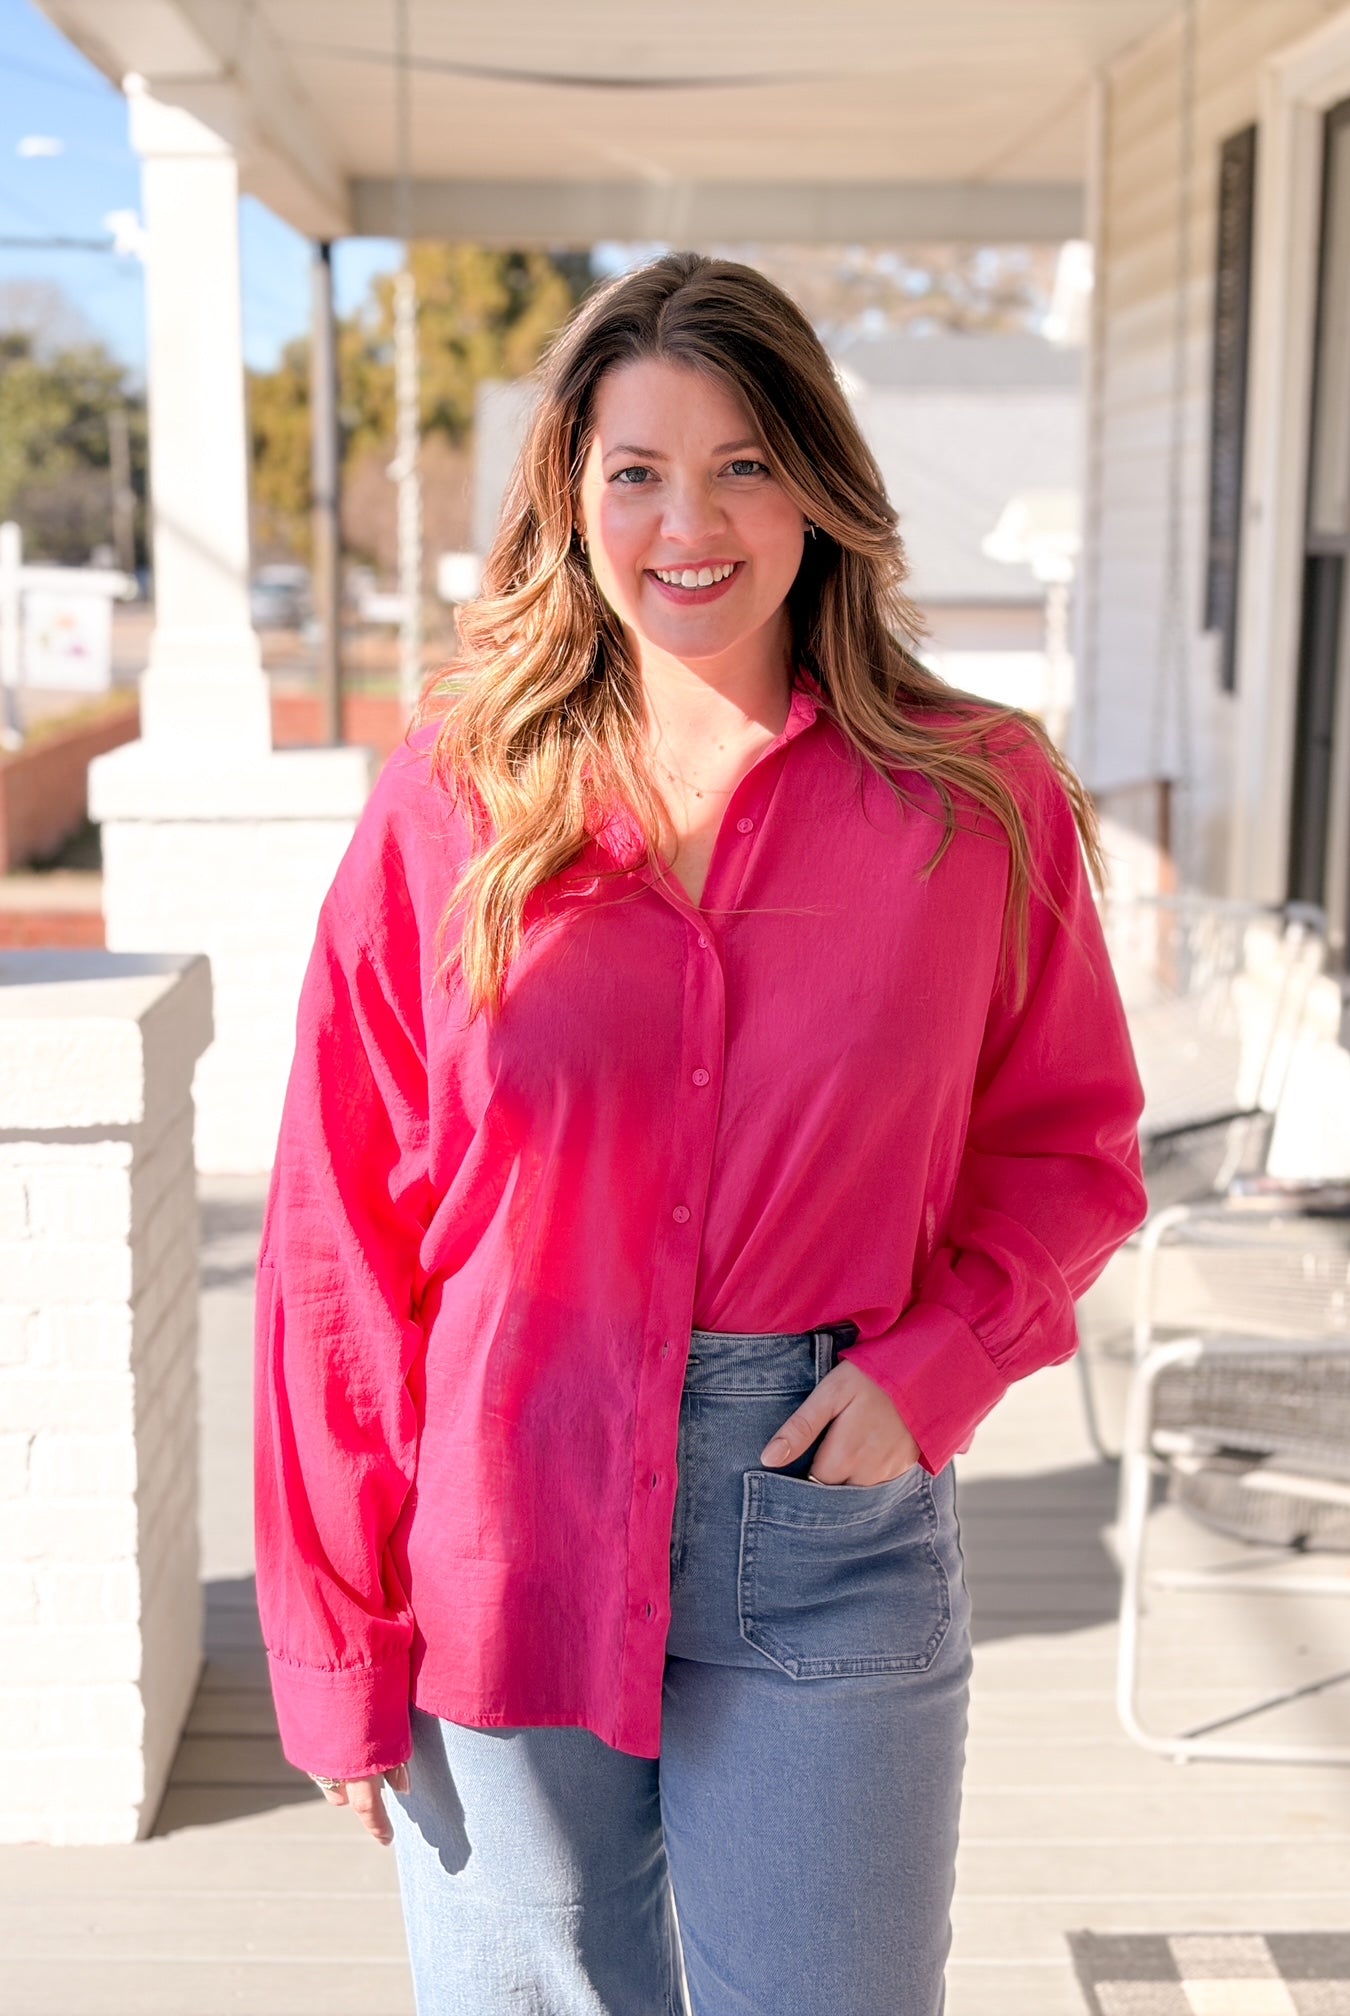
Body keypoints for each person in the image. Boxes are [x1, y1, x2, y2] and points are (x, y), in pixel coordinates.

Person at [253, 251, 1147, 2016]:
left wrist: (937, 1367)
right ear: (570, 501)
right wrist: (339, 1635)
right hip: (502, 1496)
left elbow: (1069, 1149)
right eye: (636, 470)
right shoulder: (451, 792)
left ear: (817, 487)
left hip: (818, 1496)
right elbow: (338, 1234)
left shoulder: (973, 798)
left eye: (742, 463)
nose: (691, 520)